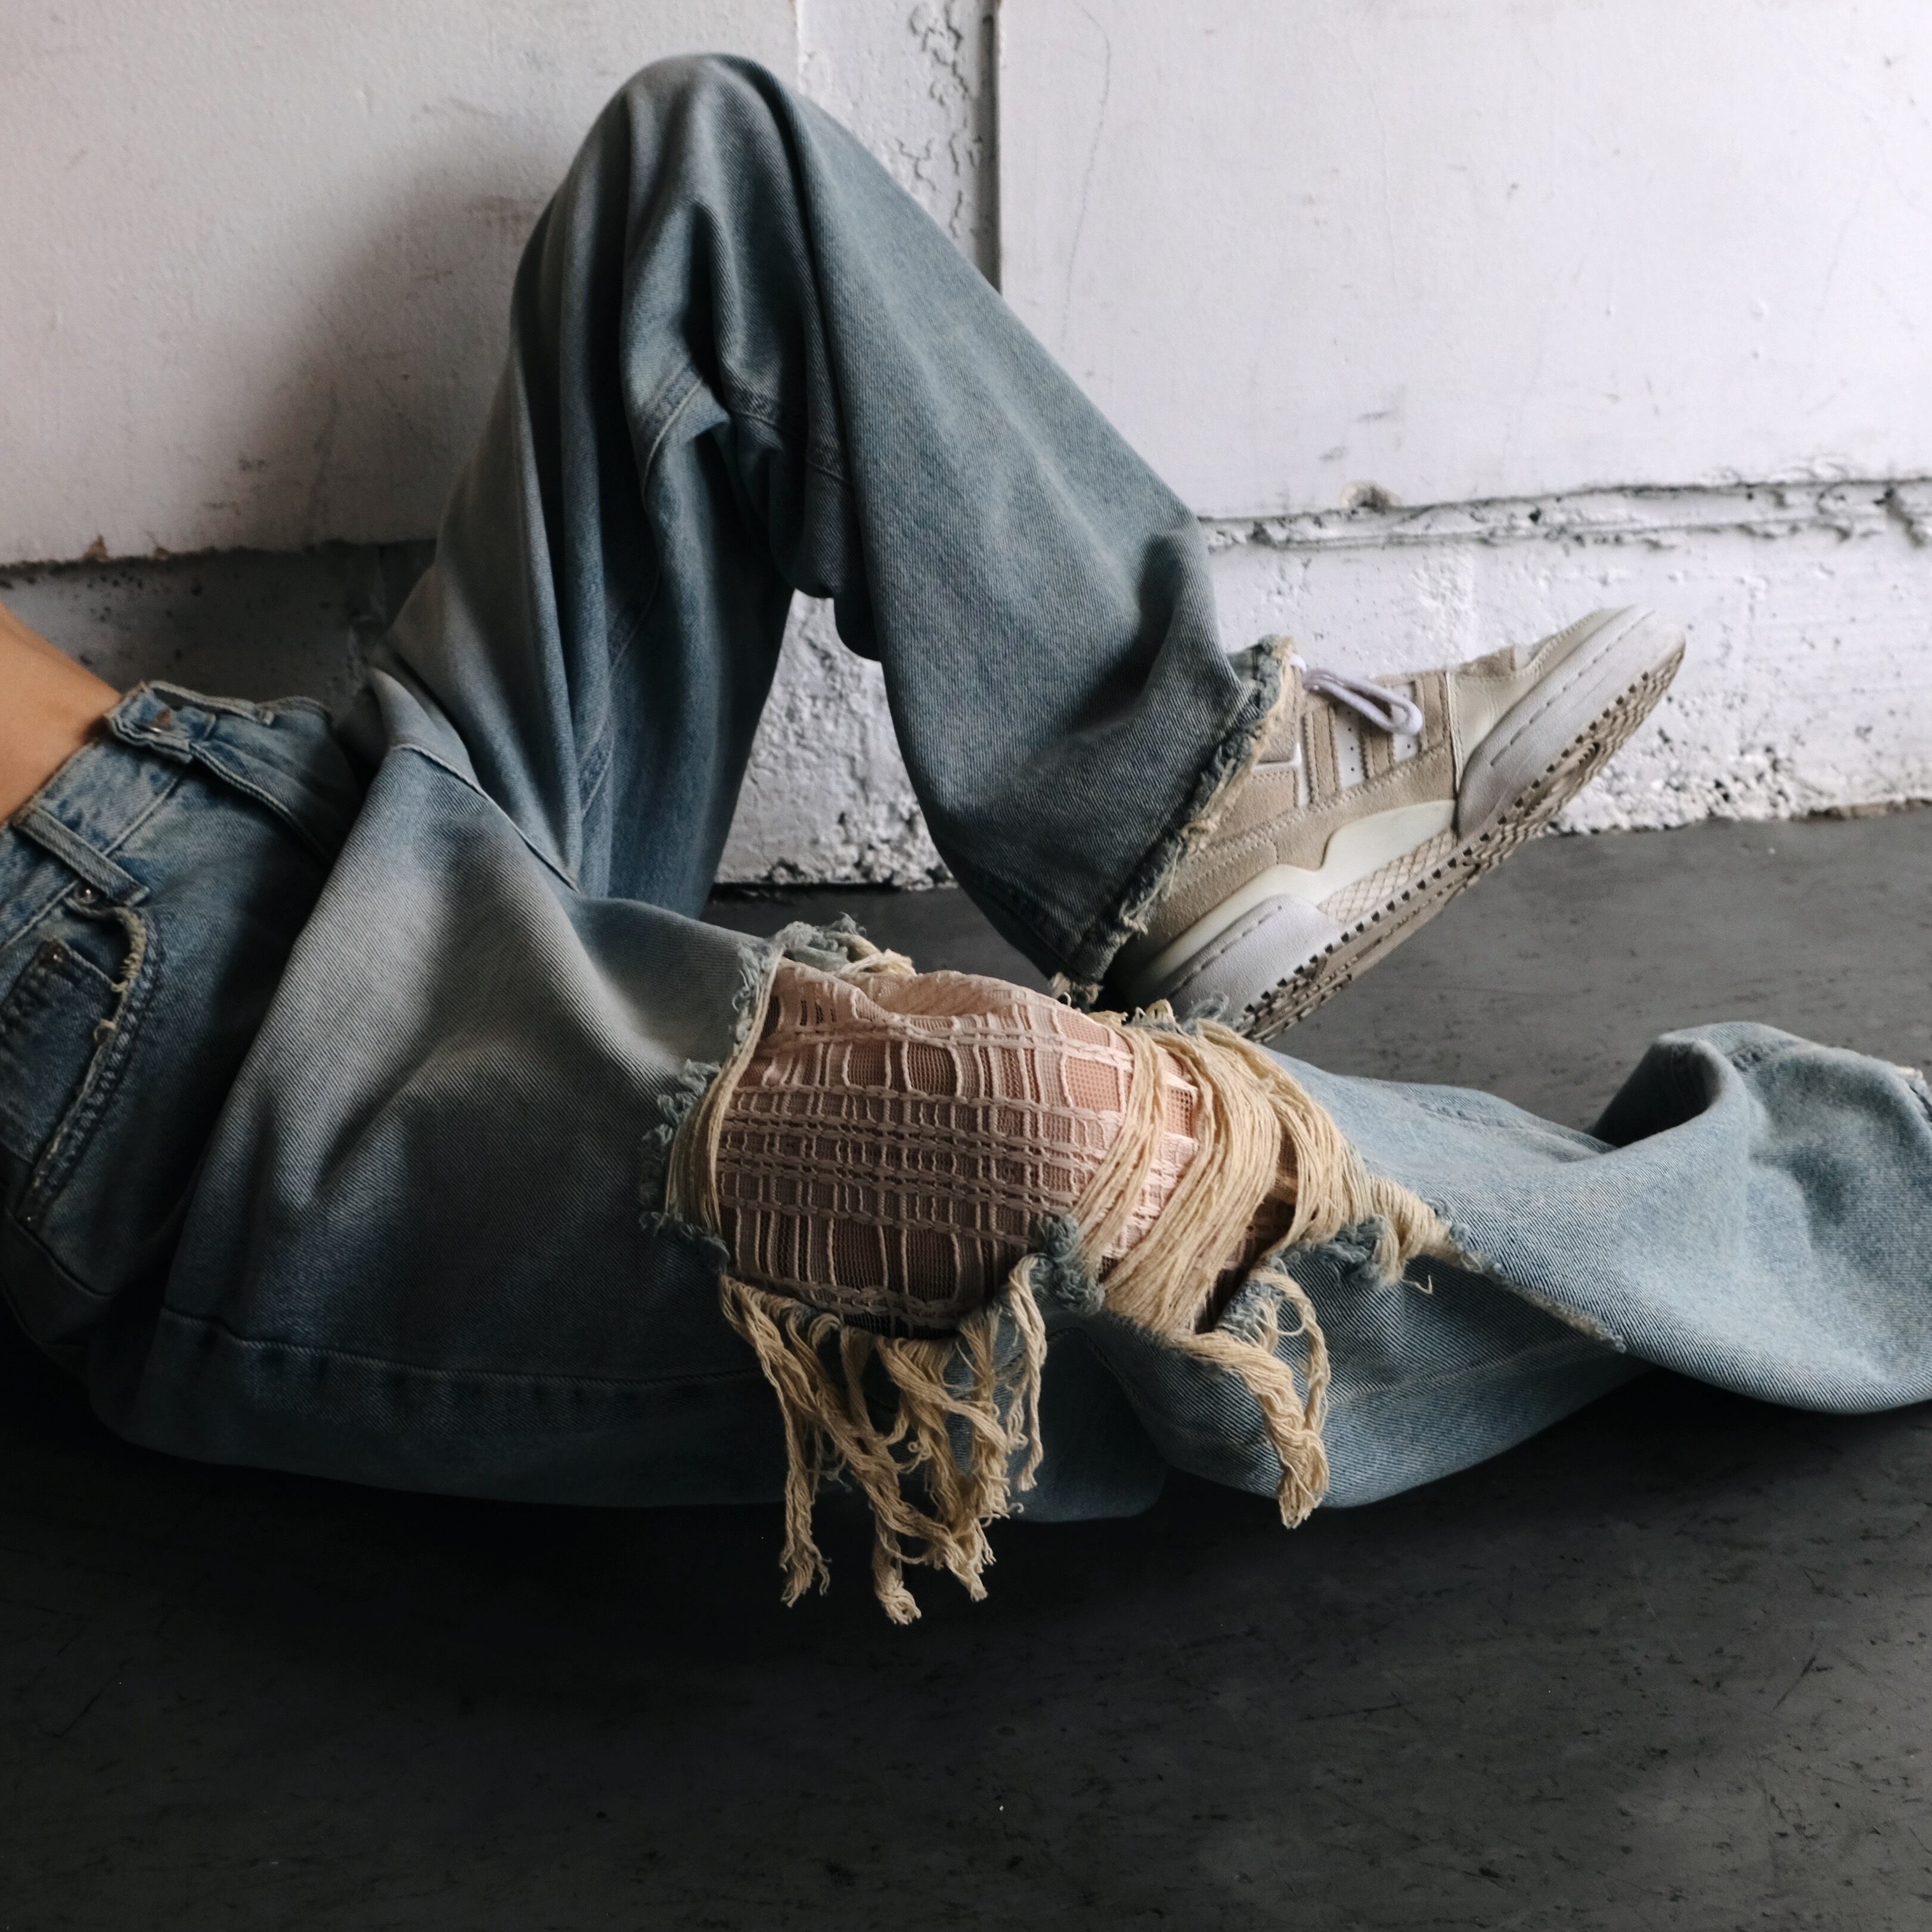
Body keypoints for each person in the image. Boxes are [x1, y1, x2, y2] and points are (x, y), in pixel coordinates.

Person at [4, 57, 1927, 1623]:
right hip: (194, 1095)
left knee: (710, 172)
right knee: (1040, 1152)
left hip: (272, 804)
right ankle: (1849, 1209)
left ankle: (1187, 804)